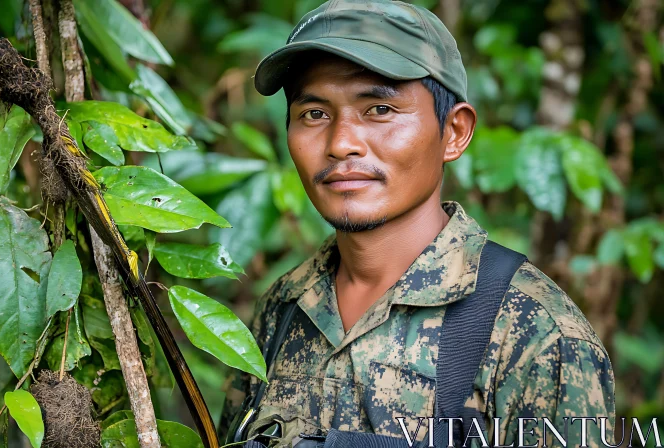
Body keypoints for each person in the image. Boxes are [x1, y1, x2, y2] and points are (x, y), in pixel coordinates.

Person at [218, 1, 615, 447]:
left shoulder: (535, 335)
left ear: (454, 132)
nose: (341, 144)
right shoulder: (282, 310)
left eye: (380, 109)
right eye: (315, 114)